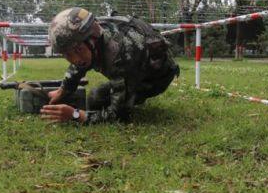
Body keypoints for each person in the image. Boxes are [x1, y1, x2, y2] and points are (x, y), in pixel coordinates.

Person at [40, 7, 179, 124]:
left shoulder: (122, 54)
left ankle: (136, 93)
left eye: (78, 50)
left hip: (157, 78)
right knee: (95, 99)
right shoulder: (95, 34)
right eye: (67, 54)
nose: (75, 59)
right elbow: (79, 64)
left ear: (92, 40)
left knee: (96, 98)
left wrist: (76, 115)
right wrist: (63, 91)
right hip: (134, 65)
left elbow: (118, 115)